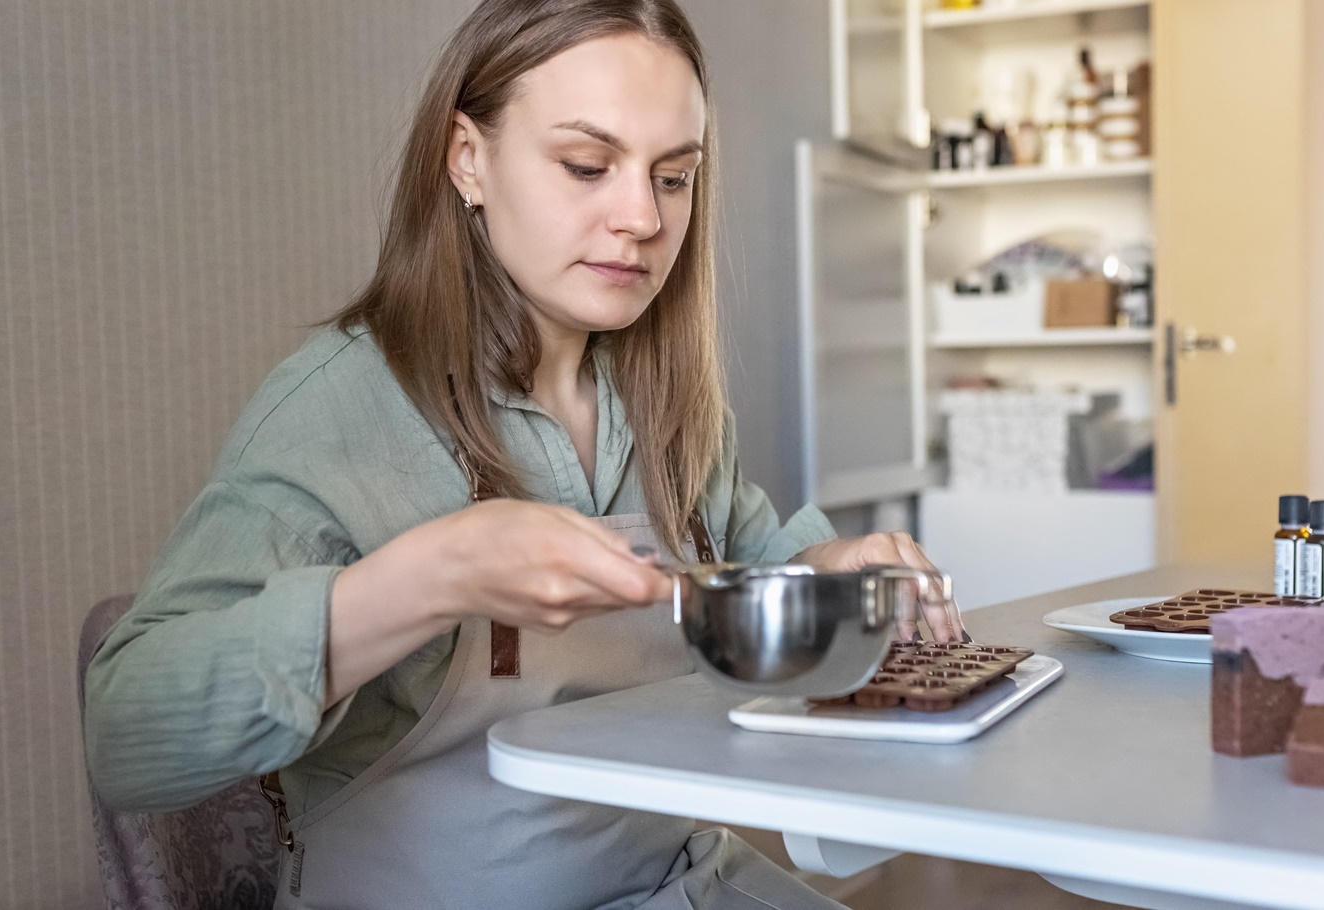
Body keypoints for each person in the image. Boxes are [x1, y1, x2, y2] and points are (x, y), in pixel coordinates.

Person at [83, 1, 965, 907]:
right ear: (468, 158)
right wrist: (430, 577)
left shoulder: (664, 399)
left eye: (673, 178)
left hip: (672, 882)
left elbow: (752, 569)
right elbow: (124, 740)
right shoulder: (336, 408)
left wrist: (827, 569)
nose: (641, 217)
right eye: (586, 166)